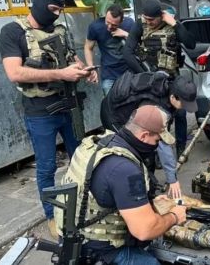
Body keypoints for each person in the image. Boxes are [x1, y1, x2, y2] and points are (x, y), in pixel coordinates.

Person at [0, 0, 91, 239]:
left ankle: (82, 208)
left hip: (70, 105)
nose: (56, 14)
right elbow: (14, 72)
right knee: (47, 167)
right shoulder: (12, 31)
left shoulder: (60, 29)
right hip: (40, 111)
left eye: (60, 9)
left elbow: (72, 58)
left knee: (80, 159)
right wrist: (60, 73)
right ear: (38, 4)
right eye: (52, 9)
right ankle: (52, 216)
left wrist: (81, 69)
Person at [55, 105, 187, 264]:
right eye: (157, 140)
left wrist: (147, 203)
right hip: (96, 249)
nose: (157, 145)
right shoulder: (125, 170)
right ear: (144, 135)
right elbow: (144, 230)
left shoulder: (100, 143)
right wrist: (174, 217)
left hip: (72, 234)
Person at [100, 70, 198, 199]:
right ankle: (133, 196)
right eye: (184, 104)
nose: (185, 108)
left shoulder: (167, 82)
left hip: (131, 111)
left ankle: (148, 187)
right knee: (133, 154)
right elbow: (163, 145)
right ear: (173, 97)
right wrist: (172, 179)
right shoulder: (156, 108)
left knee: (148, 150)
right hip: (114, 116)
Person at [123, 0, 196, 157]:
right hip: (151, 79)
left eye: (151, 19)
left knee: (180, 113)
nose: (148, 22)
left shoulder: (171, 23)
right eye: (145, 18)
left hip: (172, 77)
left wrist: (175, 23)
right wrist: (144, 75)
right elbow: (127, 52)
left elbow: (191, 44)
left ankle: (181, 147)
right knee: (156, 115)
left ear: (160, 15)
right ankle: (155, 152)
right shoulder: (140, 24)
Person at [84, 3, 134, 94]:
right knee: (109, 105)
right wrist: (91, 68)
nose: (109, 27)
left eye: (114, 25)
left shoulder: (129, 24)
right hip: (108, 74)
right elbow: (88, 47)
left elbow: (139, 44)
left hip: (129, 73)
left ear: (122, 21)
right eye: (107, 22)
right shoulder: (95, 27)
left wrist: (126, 35)